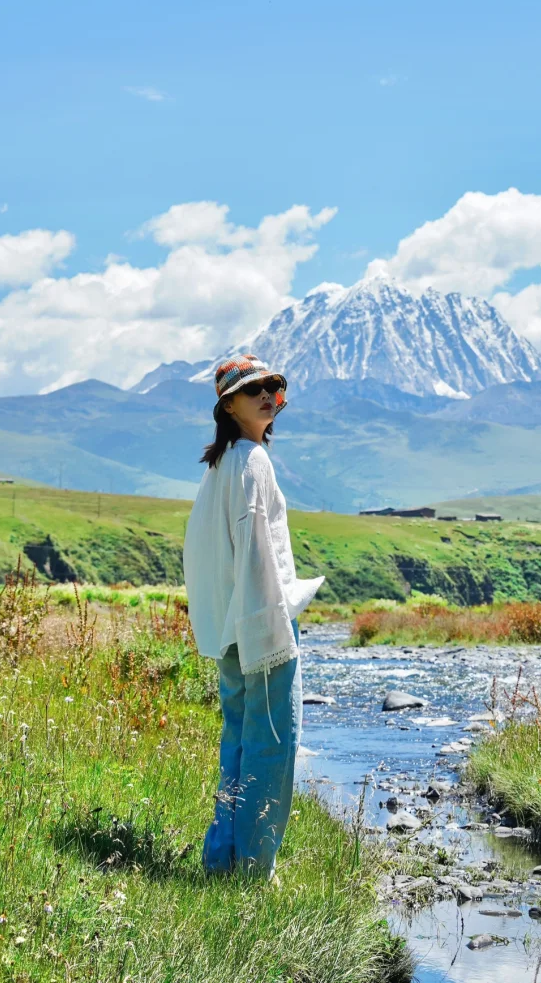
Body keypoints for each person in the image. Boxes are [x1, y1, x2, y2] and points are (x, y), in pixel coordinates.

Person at [183, 356, 324, 877]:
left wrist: (222, 626)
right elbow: (260, 555)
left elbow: (202, 554)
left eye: (272, 386)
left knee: (239, 746)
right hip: (262, 629)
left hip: (230, 633)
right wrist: (274, 627)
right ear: (228, 404)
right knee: (272, 750)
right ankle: (251, 872)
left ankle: (222, 862)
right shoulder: (253, 462)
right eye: (253, 389)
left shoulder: (219, 465)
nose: (266, 395)